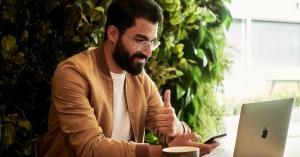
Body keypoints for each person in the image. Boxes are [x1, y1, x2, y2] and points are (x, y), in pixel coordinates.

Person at [38, 0, 219, 157]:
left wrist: (174, 128)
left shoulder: (140, 79)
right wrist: (163, 151)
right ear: (113, 34)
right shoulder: (73, 73)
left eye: (153, 42)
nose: (148, 52)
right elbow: (90, 148)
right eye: (141, 40)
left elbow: (174, 136)